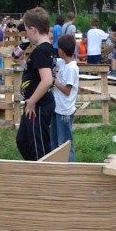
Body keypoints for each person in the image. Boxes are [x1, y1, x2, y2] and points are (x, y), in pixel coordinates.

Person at [14, 7, 55, 161]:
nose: (26, 34)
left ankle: (42, 178)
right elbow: (37, 74)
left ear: (33, 29)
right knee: (23, 141)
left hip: (38, 105)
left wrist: (31, 102)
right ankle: (33, 170)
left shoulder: (41, 51)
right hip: (34, 105)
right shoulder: (45, 49)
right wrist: (23, 62)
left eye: (26, 30)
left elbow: (47, 80)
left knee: (38, 146)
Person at [51, 34, 78, 162]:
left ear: (61, 51)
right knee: (54, 139)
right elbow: (52, 61)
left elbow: (67, 91)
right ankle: (57, 165)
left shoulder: (72, 68)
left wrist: (53, 81)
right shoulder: (63, 63)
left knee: (65, 142)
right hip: (58, 108)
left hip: (65, 111)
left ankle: (70, 167)